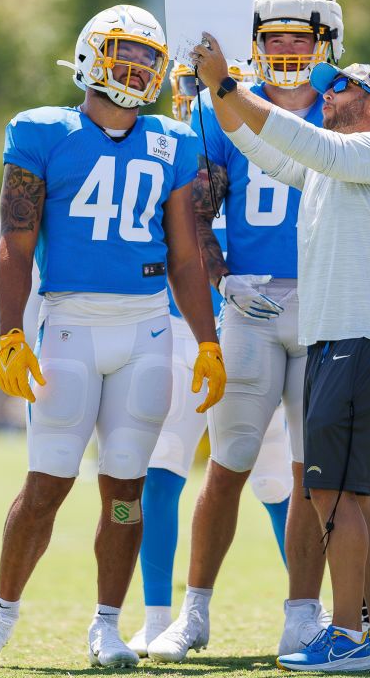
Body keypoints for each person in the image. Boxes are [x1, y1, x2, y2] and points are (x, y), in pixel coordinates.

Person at [0, 4, 224, 670]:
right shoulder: (41, 131)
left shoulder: (173, 142)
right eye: (121, 54)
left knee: (125, 492)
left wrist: (208, 339)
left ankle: (107, 624)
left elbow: (186, 257)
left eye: (144, 58)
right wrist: (11, 333)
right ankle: (0, 615)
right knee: (46, 484)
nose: (133, 70)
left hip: (146, 328)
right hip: (67, 323)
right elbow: (15, 243)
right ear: (89, 56)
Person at [191, 31, 370, 672]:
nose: (328, 92)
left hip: (355, 340)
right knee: (359, 498)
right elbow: (262, 147)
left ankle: (345, 634)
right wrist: (215, 94)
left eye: (341, 86)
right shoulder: (335, 167)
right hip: (350, 341)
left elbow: (300, 140)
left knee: (333, 496)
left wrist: (229, 85)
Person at [147, 0, 347, 663]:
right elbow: (198, 210)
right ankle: (193, 611)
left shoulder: (347, 106)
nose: (286, 49)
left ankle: (302, 614)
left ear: (327, 42)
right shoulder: (219, 107)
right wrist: (224, 278)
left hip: (326, 301)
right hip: (252, 305)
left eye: (300, 37)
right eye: (273, 38)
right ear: (251, 43)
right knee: (228, 460)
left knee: (308, 472)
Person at [131, 63, 294, 656]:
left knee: (276, 470)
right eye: (186, 84)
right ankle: (156, 617)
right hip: (180, 327)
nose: (193, 97)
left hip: (252, 320)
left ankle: (309, 610)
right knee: (165, 462)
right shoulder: (158, 148)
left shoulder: (255, 138)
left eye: (204, 86)